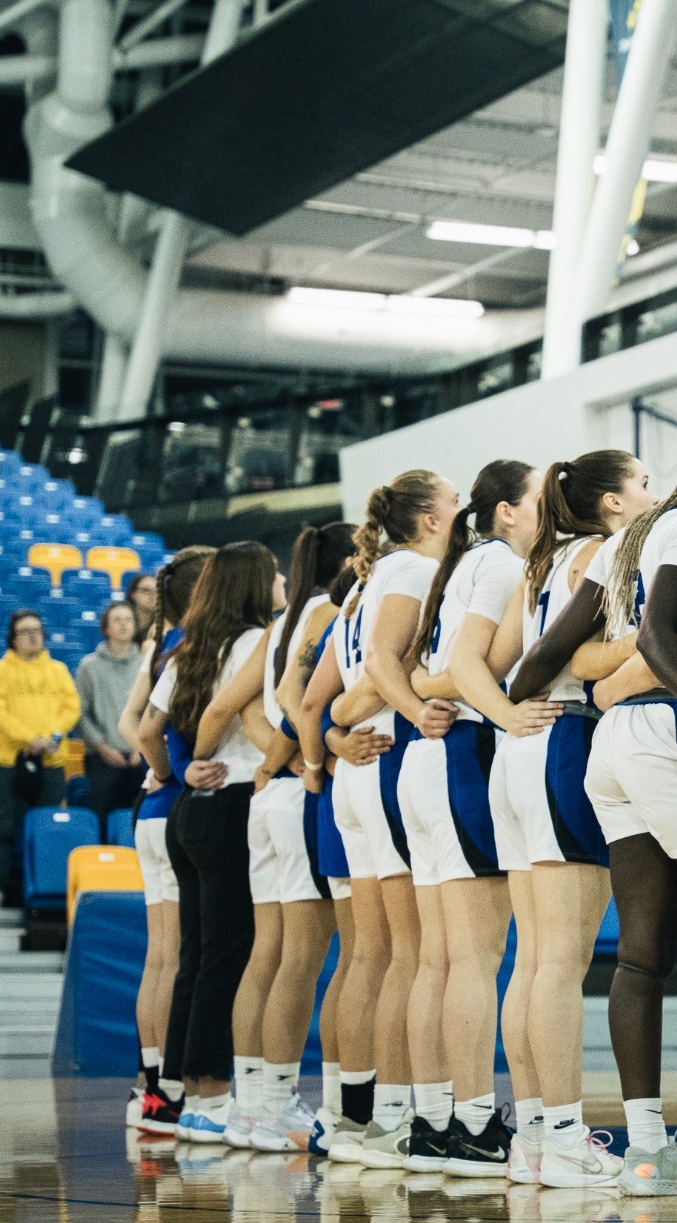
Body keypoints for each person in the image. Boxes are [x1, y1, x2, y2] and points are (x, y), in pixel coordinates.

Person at [511, 422, 677, 1188]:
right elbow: (665, 635)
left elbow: (540, 661)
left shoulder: (626, 539)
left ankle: (648, 1148)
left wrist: (580, 688)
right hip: (664, 733)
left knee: (642, 953)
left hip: (611, 745)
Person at [496, 450, 671, 1190]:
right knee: (560, 962)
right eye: (642, 483)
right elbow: (574, 657)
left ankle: (535, 1137)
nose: (652, 494)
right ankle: (566, 1137)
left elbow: (504, 660)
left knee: (534, 959)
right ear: (610, 502)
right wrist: (659, 635)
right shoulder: (602, 552)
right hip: (561, 736)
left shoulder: (539, 562)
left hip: (517, 749)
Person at [388, 460, 549, 1175]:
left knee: (440, 958)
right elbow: (463, 664)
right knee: (475, 959)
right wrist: (508, 712)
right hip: (461, 755)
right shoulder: (499, 563)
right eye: (538, 498)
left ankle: (434, 1120)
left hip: (428, 760)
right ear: (507, 511)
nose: (548, 508)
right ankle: (477, 1123)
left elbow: (424, 669)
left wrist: (429, 687)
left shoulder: (461, 564)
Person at [317, 470, 459, 1163]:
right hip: (387, 761)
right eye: (454, 503)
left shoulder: (361, 586)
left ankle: (357, 1115)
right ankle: (394, 1117)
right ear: (429, 519)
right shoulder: (410, 570)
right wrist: (415, 709)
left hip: (357, 767)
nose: (461, 513)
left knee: (370, 954)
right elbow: (380, 662)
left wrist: (335, 733)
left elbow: (321, 697)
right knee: (407, 953)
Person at [136, 541, 278, 1143]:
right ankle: (214, 1099)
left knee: (195, 958)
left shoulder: (189, 647)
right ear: (253, 585)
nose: (282, 584)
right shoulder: (255, 641)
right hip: (232, 800)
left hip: (187, 810)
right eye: (273, 575)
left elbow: (147, 730)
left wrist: (178, 772)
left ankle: (190, 1096)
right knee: (225, 957)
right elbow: (239, 714)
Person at [245, 521, 357, 1153]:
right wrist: (312, 754)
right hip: (301, 792)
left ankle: (259, 1103)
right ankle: (286, 1105)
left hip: (275, 794)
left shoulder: (286, 619)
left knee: (279, 955)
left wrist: (270, 760)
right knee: (311, 959)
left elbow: (246, 703)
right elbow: (297, 696)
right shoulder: (326, 611)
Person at [119, 547, 212, 1134]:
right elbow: (146, 730)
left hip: (148, 809)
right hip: (175, 804)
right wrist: (170, 769)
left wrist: (154, 768)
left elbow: (129, 722)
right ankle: (168, 1090)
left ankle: (152, 1084)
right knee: (176, 957)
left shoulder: (158, 645)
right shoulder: (195, 645)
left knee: (160, 955)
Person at [0, 608, 82, 911]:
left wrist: (52, 736)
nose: (33, 636)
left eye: (37, 630)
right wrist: (31, 739)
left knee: (47, 829)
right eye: (25, 631)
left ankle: (43, 891)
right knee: (2, 829)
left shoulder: (58, 670)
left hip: (51, 764)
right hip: (10, 764)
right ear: (13, 638)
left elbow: (71, 708)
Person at [75, 601, 143, 825]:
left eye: (128, 620)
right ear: (106, 627)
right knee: (102, 820)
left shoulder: (147, 664)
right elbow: (81, 713)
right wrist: (102, 746)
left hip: (141, 755)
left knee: (139, 821)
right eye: (117, 620)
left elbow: (154, 710)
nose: (124, 625)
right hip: (101, 757)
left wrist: (142, 746)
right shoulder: (89, 666)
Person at [127, 573, 159, 647]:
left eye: (157, 591)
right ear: (133, 594)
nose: (152, 595)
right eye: (146, 590)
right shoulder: (123, 620)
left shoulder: (163, 626)